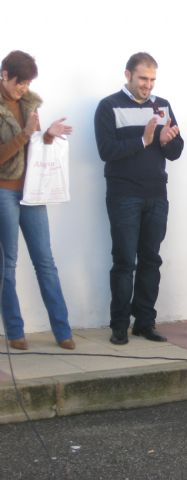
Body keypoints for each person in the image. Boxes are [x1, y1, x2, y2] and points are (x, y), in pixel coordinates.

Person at [94, 52, 183, 345]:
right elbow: (106, 151)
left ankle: (144, 322)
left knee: (151, 260)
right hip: (124, 195)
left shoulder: (162, 106)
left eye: (152, 79)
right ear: (128, 75)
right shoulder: (108, 106)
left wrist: (167, 142)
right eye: (143, 78)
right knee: (123, 262)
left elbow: (175, 150)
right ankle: (119, 324)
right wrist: (144, 140)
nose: (148, 85)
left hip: (157, 194)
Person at [0, 50, 74, 351]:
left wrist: (45, 136)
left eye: (28, 82)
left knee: (45, 262)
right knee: (8, 264)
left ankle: (63, 330)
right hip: (4, 191)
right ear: (4, 75)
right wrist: (26, 134)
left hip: (32, 192)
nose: (23, 88)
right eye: (19, 82)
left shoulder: (30, 104)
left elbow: (31, 149)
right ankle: (15, 331)